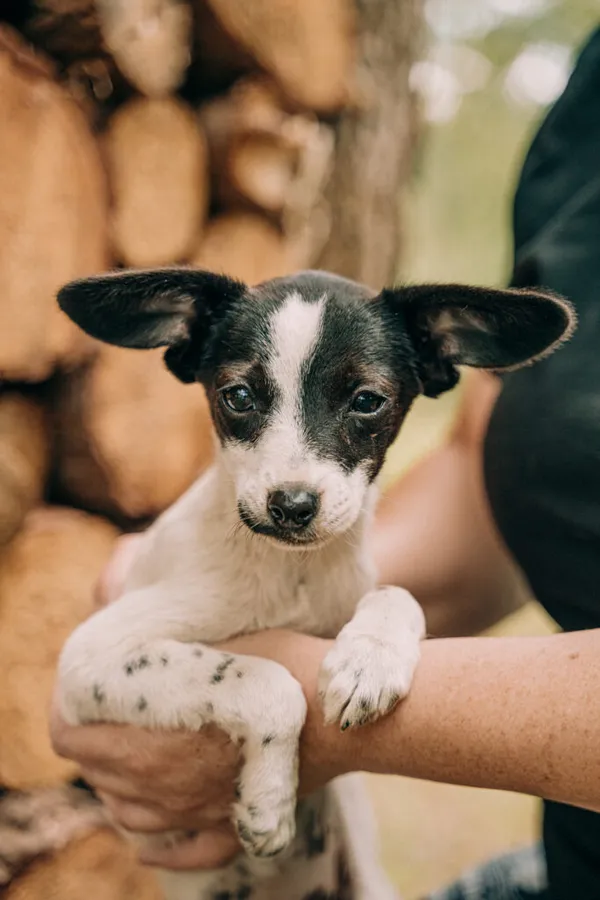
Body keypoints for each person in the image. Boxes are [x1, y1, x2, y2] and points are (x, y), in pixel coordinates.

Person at [50, 27, 600, 900]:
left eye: (364, 404)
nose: (294, 478)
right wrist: (271, 702)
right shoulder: (585, 122)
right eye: (243, 400)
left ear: (436, 363)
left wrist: (377, 635)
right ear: (186, 350)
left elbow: (353, 622)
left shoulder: (360, 577)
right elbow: (84, 667)